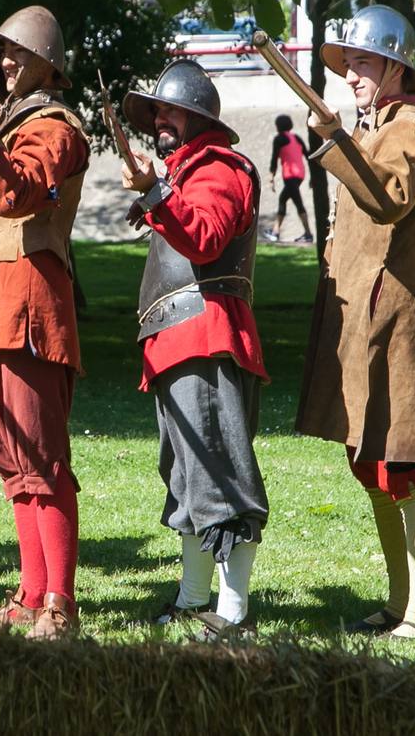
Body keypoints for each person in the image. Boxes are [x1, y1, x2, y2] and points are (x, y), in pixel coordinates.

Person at [295, 5, 415, 639]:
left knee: (406, 461)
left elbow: (389, 197)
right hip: (365, 318)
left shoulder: (409, 125)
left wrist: (336, 139)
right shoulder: (378, 124)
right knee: (370, 461)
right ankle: (399, 603)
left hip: (399, 320)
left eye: (363, 63)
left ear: (395, 66)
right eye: (349, 65)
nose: (352, 75)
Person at [0, 5, 90, 638]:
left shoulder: (54, 126)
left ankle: (59, 598)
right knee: (10, 455)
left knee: (42, 455)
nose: (5, 62)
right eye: (0, 54)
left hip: (30, 300)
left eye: (18, 54)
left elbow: (16, 193)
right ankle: (32, 592)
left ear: (47, 65)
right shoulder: (9, 122)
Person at [118, 59, 268, 639]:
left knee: (220, 479)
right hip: (176, 342)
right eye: (157, 110)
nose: (161, 120)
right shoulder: (183, 175)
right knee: (187, 479)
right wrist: (159, 192)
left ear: (199, 118)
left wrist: (157, 194)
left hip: (207, 338)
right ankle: (192, 598)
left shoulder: (221, 169)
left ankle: (231, 613)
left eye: (171, 110)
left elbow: (205, 237)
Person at [267, 114, 311, 242]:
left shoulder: (279, 139)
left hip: (290, 175)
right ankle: (275, 231)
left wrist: (271, 176)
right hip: (300, 175)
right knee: (283, 199)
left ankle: (308, 234)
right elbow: (308, 156)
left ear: (278, 126)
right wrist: (312, 178)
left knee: (298, 203)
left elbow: (274, 158)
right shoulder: (296, 138)